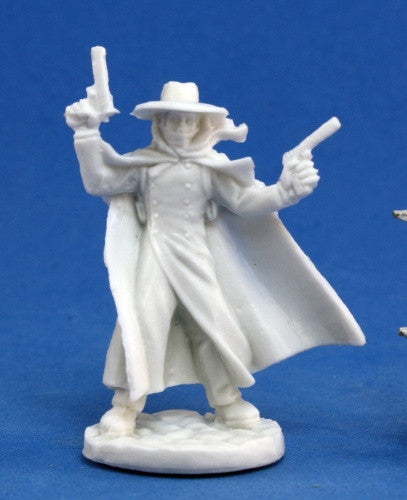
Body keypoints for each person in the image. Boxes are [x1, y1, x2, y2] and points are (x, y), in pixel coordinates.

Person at [65, 81, 365, 436]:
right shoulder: (144, 165)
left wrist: (285, 192)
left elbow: (245, 202)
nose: (181, 128)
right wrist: (86, 133)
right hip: (156, 253)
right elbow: (100, 182)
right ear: (160, 123)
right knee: (144, 322)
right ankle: (126, 405)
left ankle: (227, 400)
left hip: (195, 256)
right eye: (173, 120)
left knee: (211, 326)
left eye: (188, 121)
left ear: (200, 126)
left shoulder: (209, 168)